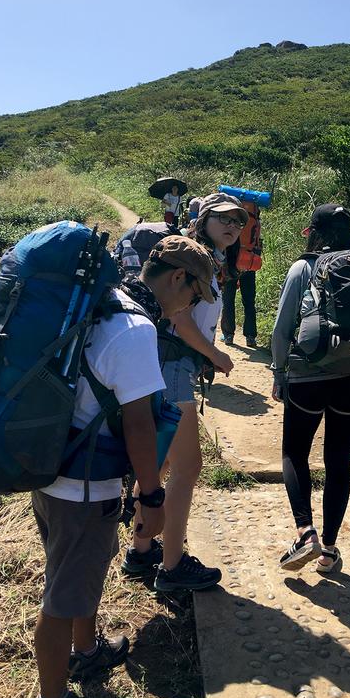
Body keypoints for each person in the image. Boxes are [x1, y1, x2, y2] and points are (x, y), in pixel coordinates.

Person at [28, 235, 214, 698]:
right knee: (63, 594)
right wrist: (151, 496)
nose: (193, 306)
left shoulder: (106, 302)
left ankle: (86, 650)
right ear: (178, 279)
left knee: (83, 572)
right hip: (84, 482)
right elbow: (139, 425)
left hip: (54, 464)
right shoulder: (133, 328)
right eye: (195, 295)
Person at [123, 193, 247, 591]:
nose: (232, 225)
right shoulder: (197, 261)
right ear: (204, 219)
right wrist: (216, 355)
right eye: (224, 218)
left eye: (239, 221)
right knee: (187, 467)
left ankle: (142, 551)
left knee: (158, 466)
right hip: (174, 366)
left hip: (166, 362)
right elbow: (182, 320)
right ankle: (173, 565)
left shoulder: (209, 259)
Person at [271, 204, 350, 574]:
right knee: (338, 460)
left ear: (314, 232)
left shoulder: (303, 267)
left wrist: (278, 370)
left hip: (308, 374)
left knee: (294, 453)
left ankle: (305, 532)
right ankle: (330, 550)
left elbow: (282, 327)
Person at [221, 198, 262, 348]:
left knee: (228, 299)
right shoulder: (256, 222)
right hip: (249, 263)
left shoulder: (232, 221)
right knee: (249, 301)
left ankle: (228, 335)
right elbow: (257, 243)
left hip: (231, 262)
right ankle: (250, 337)